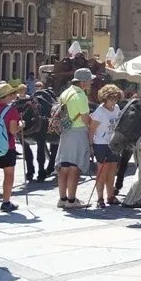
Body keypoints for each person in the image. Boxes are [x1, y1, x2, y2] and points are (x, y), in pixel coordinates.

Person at [54, 68, 94, 209]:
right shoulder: (81, 95)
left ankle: (62, 199)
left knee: (64, 167)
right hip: (77, 132)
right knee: (75, 167)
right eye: (89, 80)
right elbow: (85, 119)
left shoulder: (65, 92)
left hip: (66, 131)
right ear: (83, 82)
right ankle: (71, 200)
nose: (91, 82)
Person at [0, 83, 24, 213]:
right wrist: (21, 125)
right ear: (6, 96)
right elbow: (13, 130)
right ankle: (6, 202)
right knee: (8, 174)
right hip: (7, 147)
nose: (13, 96)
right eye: (11, 94)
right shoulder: (11, 110)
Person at [90, 84, 123, 207]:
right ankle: (100, 199)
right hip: (101, 144)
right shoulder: (99, 112)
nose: (113, 101)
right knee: (101, 173)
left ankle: (110, 196)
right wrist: (90, 145)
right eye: (111, 99)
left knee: (112, 172)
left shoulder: (117, 108)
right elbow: (92, 129)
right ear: (105, 98)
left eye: (115, 98)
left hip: (113, 143)